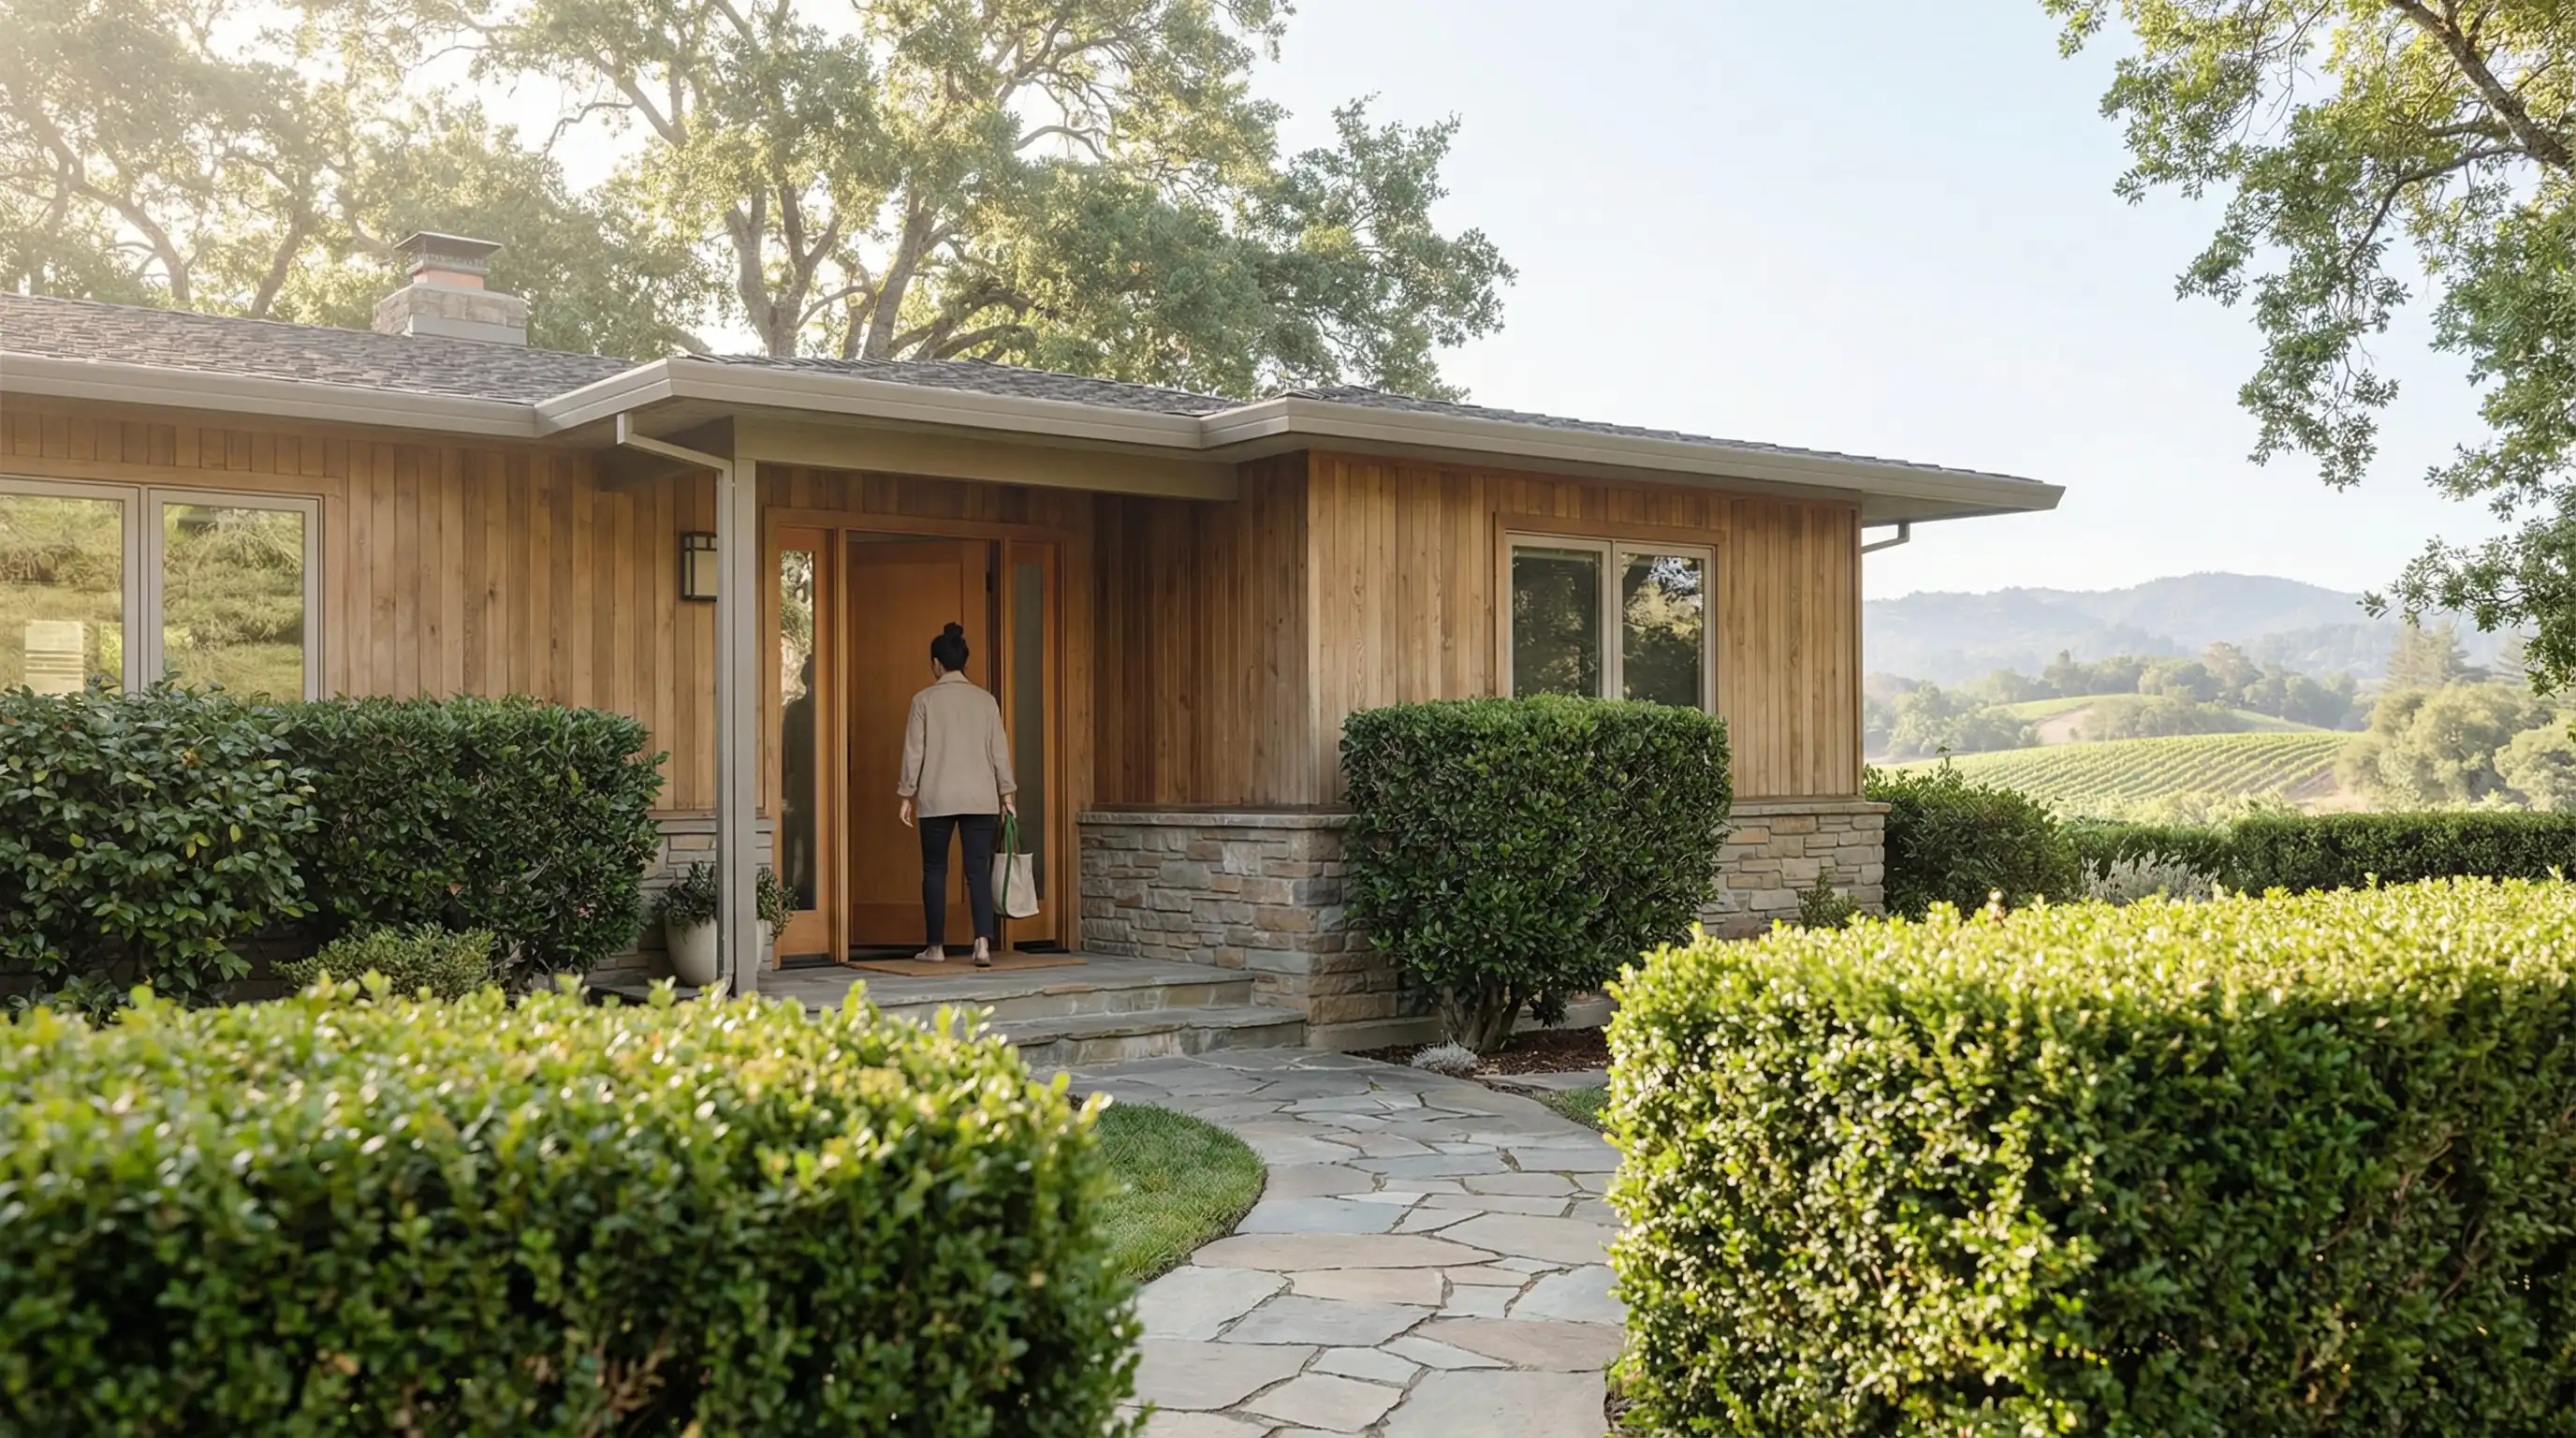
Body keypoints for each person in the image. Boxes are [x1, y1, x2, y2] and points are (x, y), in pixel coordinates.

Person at [897, 623, 1016, 966]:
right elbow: (999, 752)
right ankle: (982, 944)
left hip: (937, 798)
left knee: (934, 870)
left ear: (936, 664)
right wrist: (1007, 795)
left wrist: (907, 793)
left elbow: (914, 751)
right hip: (981, 799)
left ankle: (936, 948)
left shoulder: (923, 700)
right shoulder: (986, 701)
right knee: (977, 870)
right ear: (964, 662)